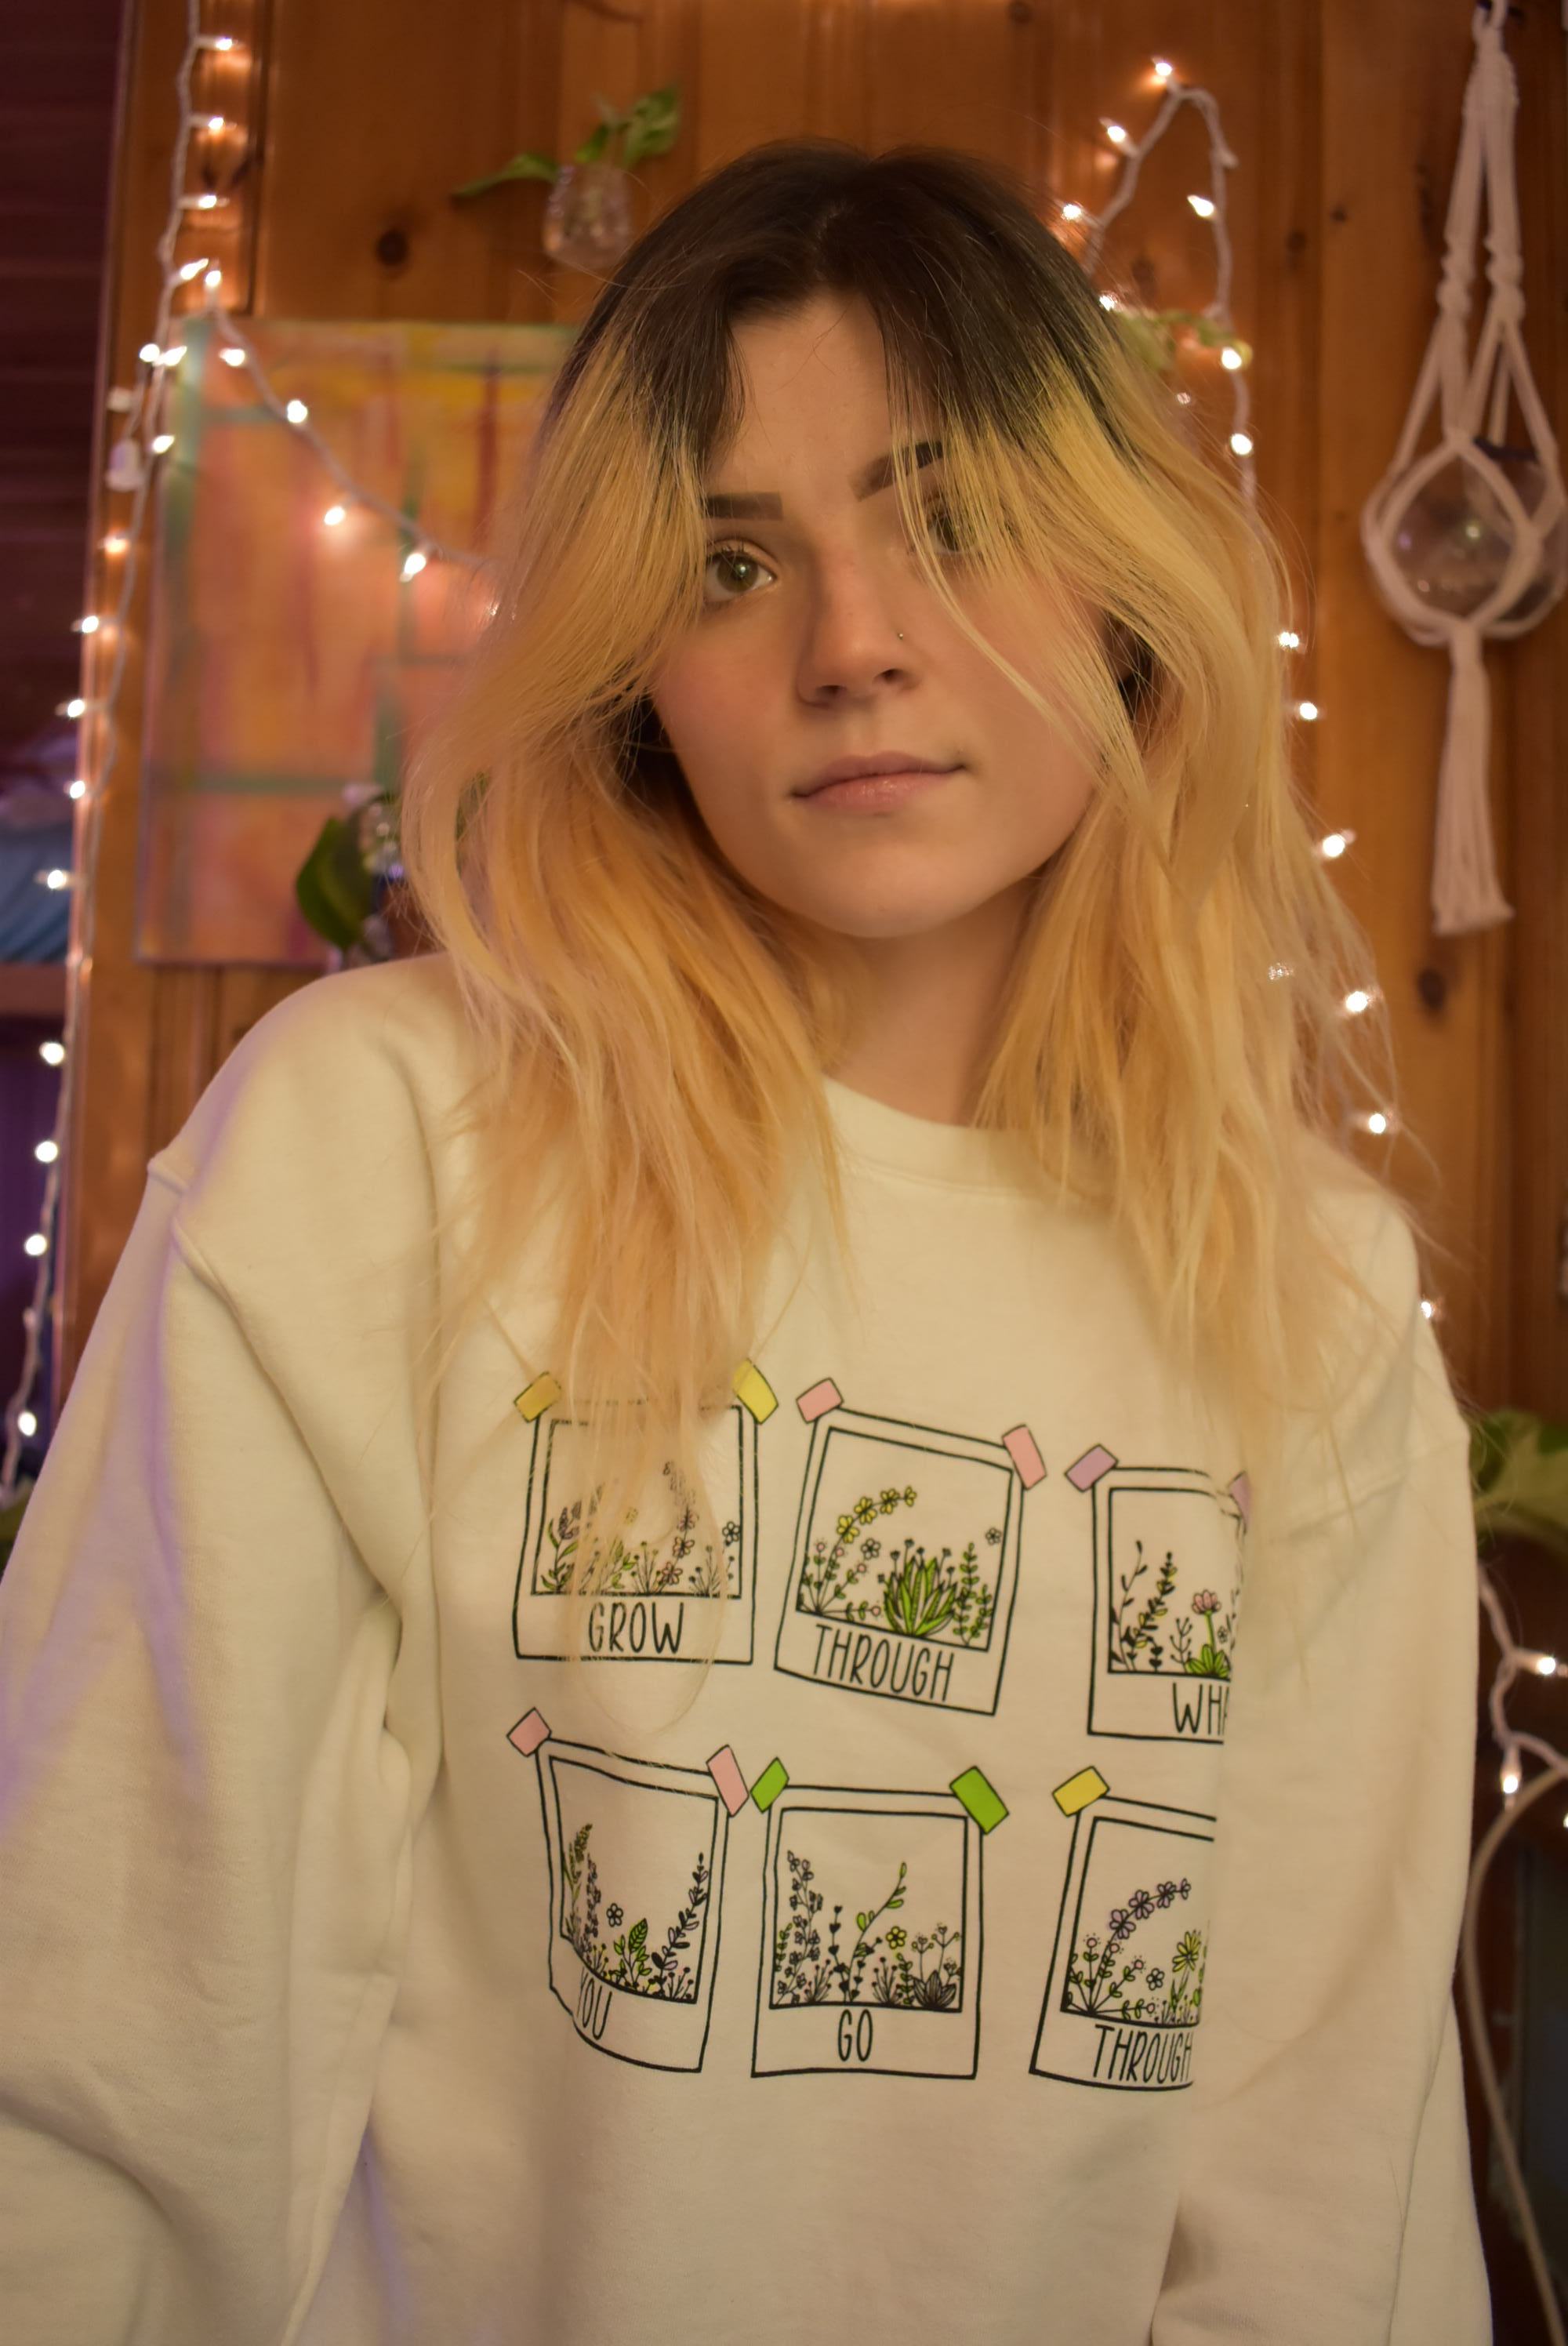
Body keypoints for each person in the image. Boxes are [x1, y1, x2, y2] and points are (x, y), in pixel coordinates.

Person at [0, 140, 1490, 2345]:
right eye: (728, 561)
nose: (854, 646)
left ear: (1124, 593)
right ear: (636, 671)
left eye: (951, 523)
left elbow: (1319, 2186)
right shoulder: (383, 1145)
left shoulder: (1315, 1291)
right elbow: (122, 2038)